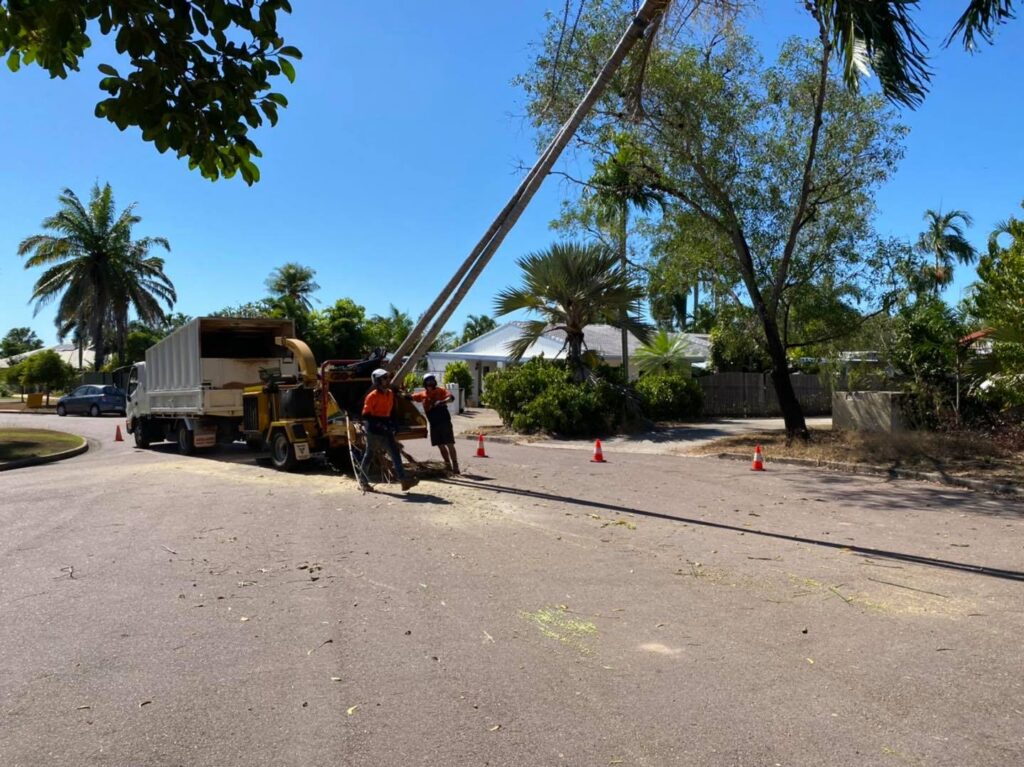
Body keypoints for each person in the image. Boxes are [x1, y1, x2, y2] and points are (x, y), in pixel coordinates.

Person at [360, 368, 418, 492]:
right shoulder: (372, 396)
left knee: (395, 453)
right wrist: (380, 425)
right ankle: (363, 482)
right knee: (369, 455)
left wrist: (394, 424)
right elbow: (366, 415)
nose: (387, 380)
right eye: (384, 378)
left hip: (385, 427)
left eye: (387, 378)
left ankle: (403, 480)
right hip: (374, 429)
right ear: (377, 381)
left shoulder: (390, 393)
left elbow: (391, 412)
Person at [410, 373, 459, 474]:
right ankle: (448, 465)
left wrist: (441, 402)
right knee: (440, 445)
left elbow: (451, 398)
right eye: (428, 380)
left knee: (449, 443)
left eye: (432, 379)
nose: (430, 381)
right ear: (425, 382)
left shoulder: (440, 391)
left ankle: (455, 465)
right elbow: (411, 397)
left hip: (444, 421)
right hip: (433, 424)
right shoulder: (422, 395)